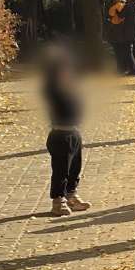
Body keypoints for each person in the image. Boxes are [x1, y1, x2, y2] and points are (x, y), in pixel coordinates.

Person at [41, 47, 90, 216]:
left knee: (75, 168)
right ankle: (58, 199)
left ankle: (71, 194)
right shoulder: (53, 90)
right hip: (60, 135)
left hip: (74, 133)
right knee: (61, 170)